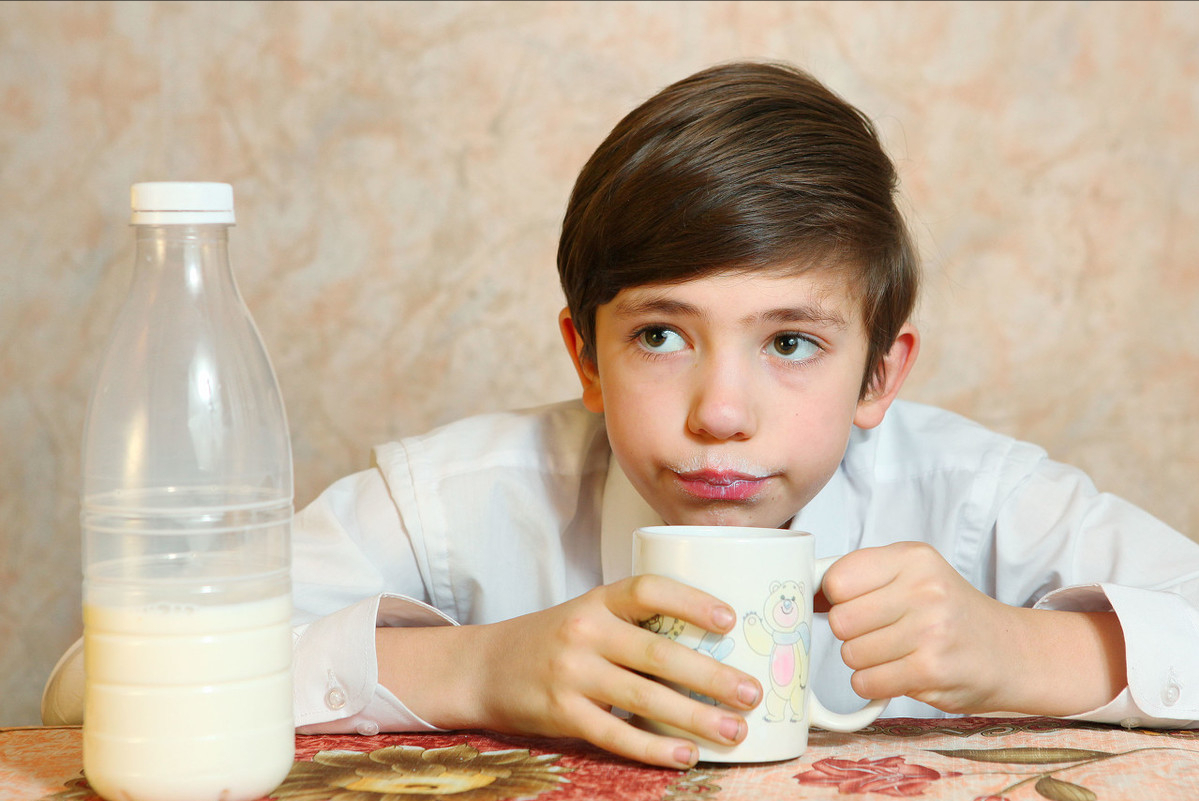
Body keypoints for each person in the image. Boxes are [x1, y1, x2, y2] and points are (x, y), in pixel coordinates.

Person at [283, 61, 1199, 768]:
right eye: (658, 337)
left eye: (791, 343)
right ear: (585, 356)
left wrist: (1026, 651)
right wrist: (475, 670)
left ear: (878, 375)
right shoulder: (454, 498)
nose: (720, 413)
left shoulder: (973, 495)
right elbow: (162, 649)